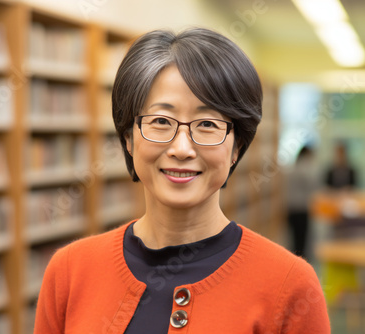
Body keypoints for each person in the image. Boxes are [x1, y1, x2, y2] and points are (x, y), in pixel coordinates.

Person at [34, 28, 330, 333]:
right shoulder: (70, 271)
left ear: (236, 147)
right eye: (161, 121)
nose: (182, 149)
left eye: (207, 124)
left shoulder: (289, 284)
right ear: (128, 138)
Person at [285, 146, 319, 258]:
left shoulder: (293, 168)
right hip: (301, 208)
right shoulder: (305, 168)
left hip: (291, 207)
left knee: (294, 237)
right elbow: (313, 186)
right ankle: (301, 261)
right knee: (302, 238)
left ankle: (295, 259)